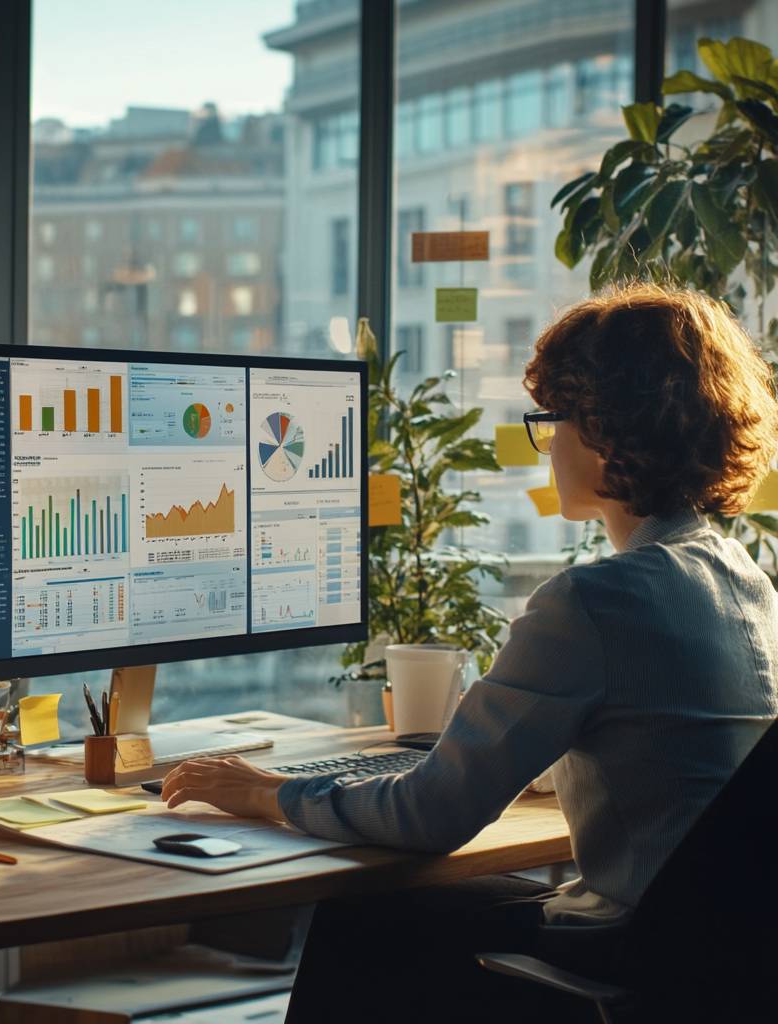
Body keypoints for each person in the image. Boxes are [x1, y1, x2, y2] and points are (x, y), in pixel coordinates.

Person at [162, 284, 778, 1021]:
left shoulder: (597, 601)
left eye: (553, 422)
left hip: (633, 953)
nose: (547, 447)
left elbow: (431, 815)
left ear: (609, 431)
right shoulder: (745, 581)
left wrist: (263, 792)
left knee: (360, 917)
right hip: (721, 960)